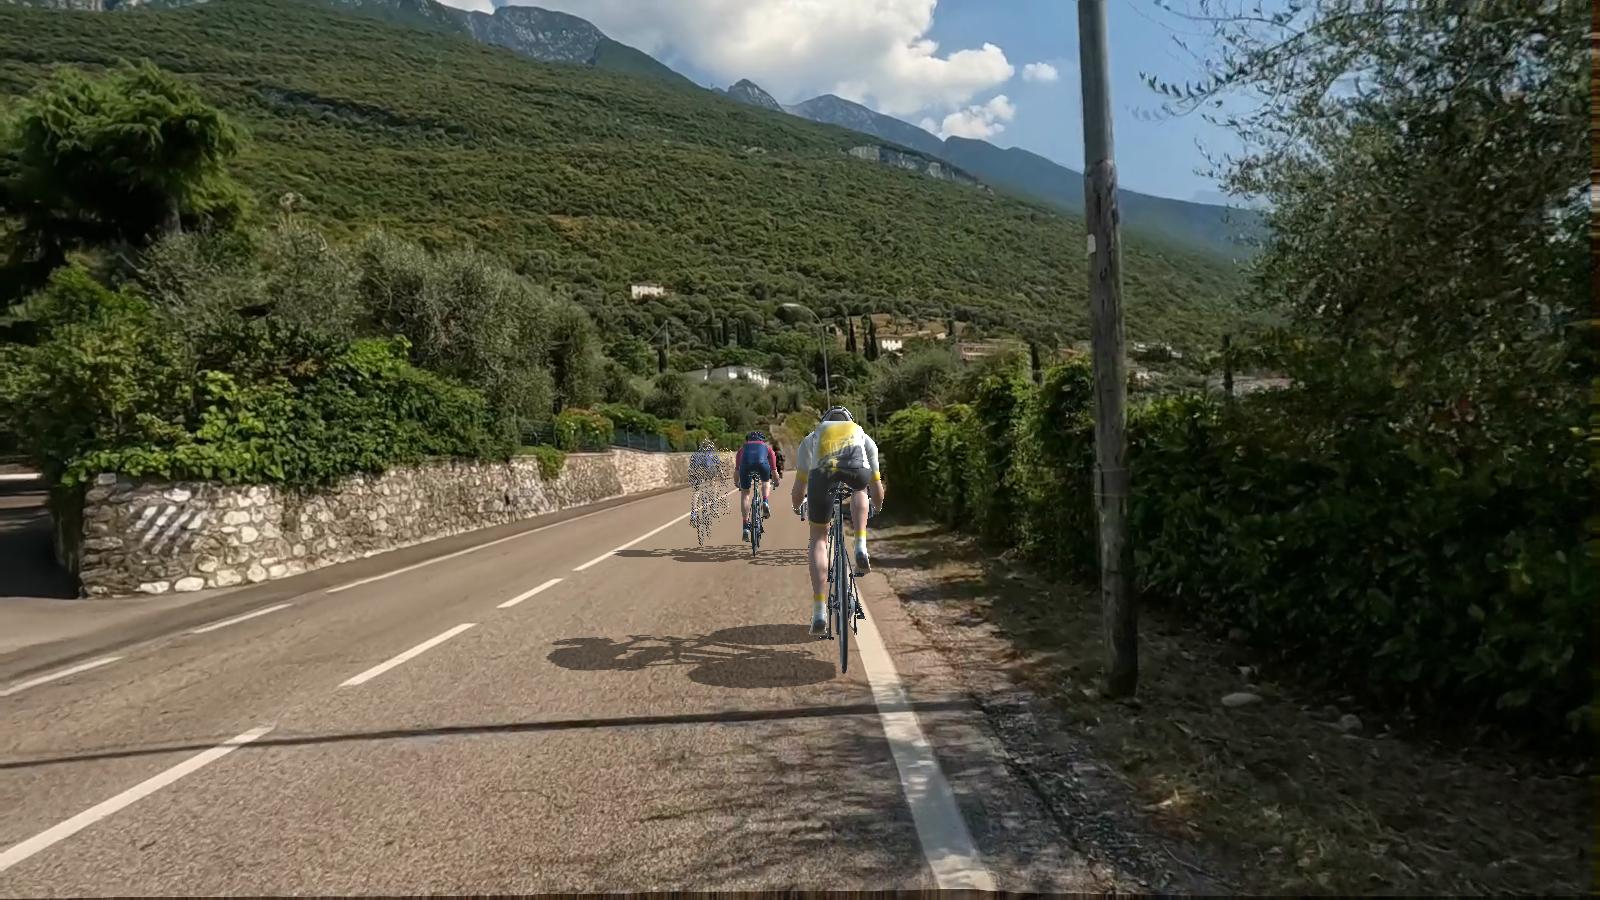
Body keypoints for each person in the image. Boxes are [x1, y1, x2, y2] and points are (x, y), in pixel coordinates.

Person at [789, 407, 886, 635]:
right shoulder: (861, 434)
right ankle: (860, 545)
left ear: (824, 422)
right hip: (857, 471)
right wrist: (877, 506)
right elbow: (877, 487)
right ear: (849, 421)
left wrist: (797, 506)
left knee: (818, 539)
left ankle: (819, 610)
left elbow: (799, 487)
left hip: (822, 476)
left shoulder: (813, 437)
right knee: (860, 489)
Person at [735, 430, 779, 543]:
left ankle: (745, 526)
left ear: (748, 440)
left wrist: (736, 483)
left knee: (745, 494)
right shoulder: (767, 448)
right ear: (762, 440)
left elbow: (737, 471)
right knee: (765, 481)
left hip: (745, 467)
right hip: (762, 465)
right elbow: (774, 471)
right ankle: (765, 501)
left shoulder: (742, 449)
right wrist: (776, 481)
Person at [687, 438, 727, 530]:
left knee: (696, 493)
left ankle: (693, 514)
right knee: (714, 489)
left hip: (697, 474)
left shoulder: (696, 454)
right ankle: (714, 509)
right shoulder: (713, 454)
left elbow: (691, 467)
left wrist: (692, 477)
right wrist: (722, 476)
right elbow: (718, 466)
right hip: (710, 474)